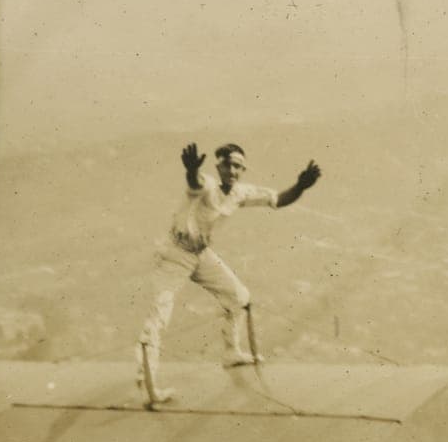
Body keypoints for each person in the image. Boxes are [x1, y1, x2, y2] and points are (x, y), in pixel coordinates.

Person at [135, 142, 322, 401]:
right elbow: (194, 181)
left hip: (200, 254)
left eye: (239, 166)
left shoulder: (239, 192)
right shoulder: (206, 185)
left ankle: (231, 352)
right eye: (228, 164)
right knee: (159, 317)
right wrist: (190, 169)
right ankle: (148, 386)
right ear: (218, 165)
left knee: (239, 297)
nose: (233, 170)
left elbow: (278, 199)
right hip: (174, 254)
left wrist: (300, 186)